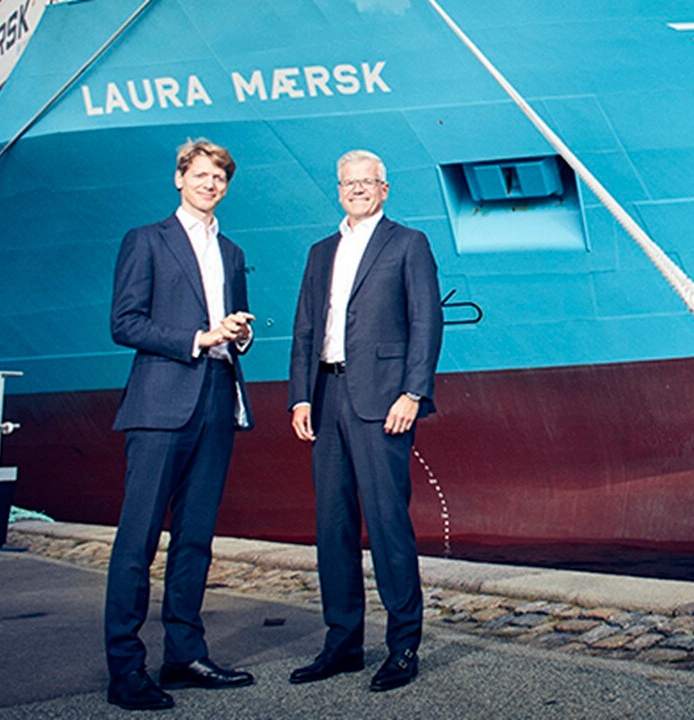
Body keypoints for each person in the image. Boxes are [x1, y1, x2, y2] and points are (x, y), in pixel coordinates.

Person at [104, 139, 257, 711]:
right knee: (137, 542)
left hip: (218, 401)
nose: (210, 184)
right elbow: (124, 323)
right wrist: (197, 339)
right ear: (179, 179)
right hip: (160, 404)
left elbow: (234, 328)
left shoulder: (234, 251)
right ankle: (125, 671)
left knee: (195, 539)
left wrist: (239, 335)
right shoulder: (146, 240)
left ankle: (184, 654)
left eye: (220, 177)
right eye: (201, 175)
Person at [287, 149, 443, 692]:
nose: (356, 189)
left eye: (366, 182)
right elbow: (306, 328)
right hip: (326, 397)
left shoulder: (408, 244)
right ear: (339, 189)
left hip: (383, 401)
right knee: (332, 526)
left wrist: (414, 392)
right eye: (347, 182)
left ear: (384, 187)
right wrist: (299, 398)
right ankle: (343, 642)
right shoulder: (319, 252)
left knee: (388, 523)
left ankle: (403, 646)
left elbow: (426, 322)